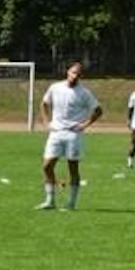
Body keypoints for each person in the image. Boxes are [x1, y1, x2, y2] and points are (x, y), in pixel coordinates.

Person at [38, 60, 102, 210]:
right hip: (56, 132)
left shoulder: (84, 93)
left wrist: (84, 125)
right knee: (47, 166)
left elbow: (98, 110)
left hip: (73, 134)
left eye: (78, 75)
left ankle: (71, 203)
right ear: (67, 72)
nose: (75, 76)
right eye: (73, 73)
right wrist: (46, 122)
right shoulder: (55, 87)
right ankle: (50, 200)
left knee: (73, 168)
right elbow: (44, 104)